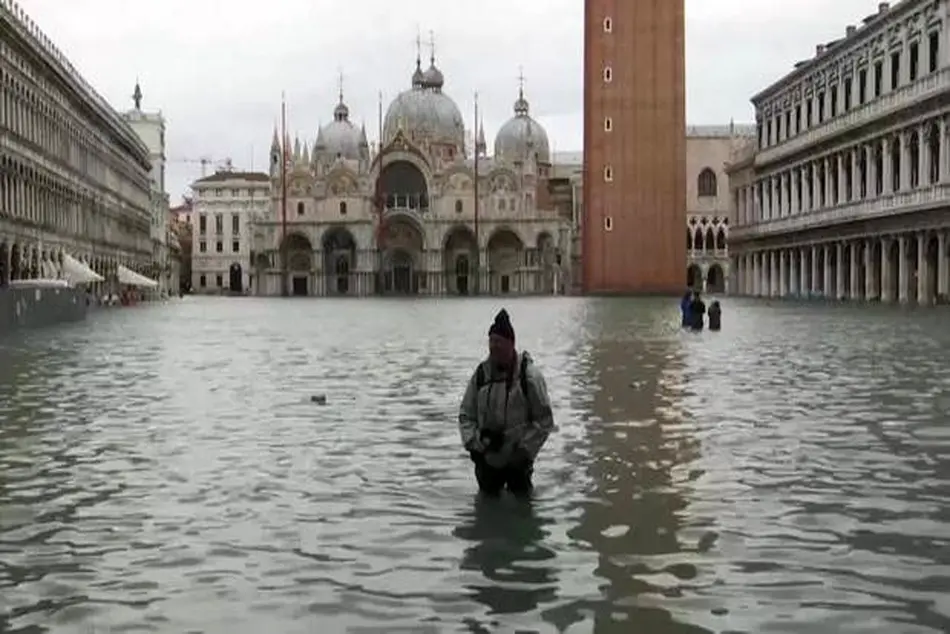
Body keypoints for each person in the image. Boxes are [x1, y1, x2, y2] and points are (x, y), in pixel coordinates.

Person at [458, 309, 555, 498]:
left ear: (511, 344)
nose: (494, 347)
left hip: (518, 460)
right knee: (486, 509)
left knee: (521, 509)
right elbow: (465, 416)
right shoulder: (480, 375)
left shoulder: (530, 377)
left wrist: (524, 451)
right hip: (487, 458)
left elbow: (545, 421)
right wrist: (475, 445)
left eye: (499, 342)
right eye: (491, 342)